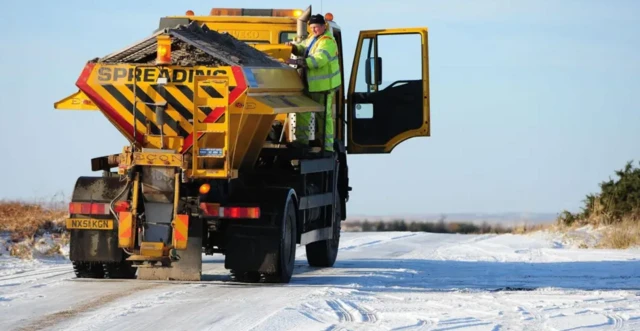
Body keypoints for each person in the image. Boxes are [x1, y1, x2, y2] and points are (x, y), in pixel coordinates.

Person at [285, 14, 341, 152]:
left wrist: (298, 62)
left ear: (323, 26)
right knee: (303, 112)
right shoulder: (313, 39)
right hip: (310, 86)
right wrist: (293, 47)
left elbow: (318, 60)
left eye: (316, 27)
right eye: (312, 27)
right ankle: (302, 142)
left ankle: (327, 147)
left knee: (323, 117)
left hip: (324, 88)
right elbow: (303, 48)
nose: (314, 30)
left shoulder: (327, 41)